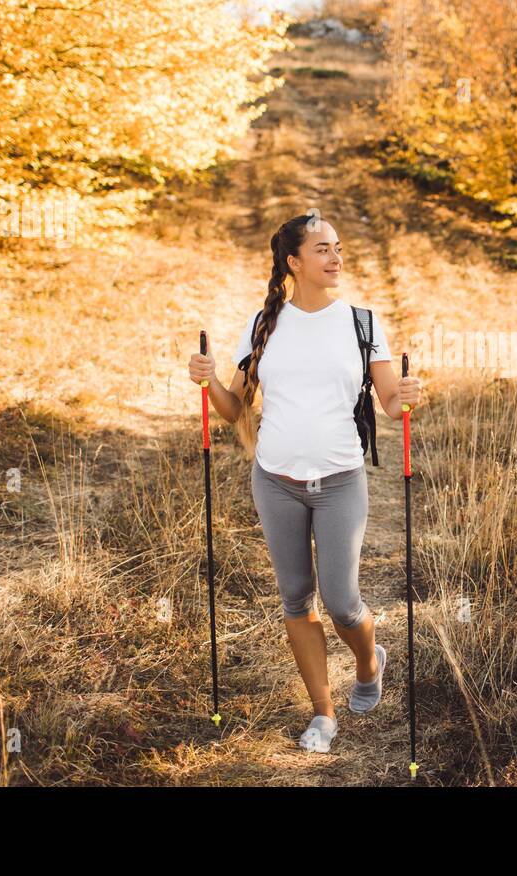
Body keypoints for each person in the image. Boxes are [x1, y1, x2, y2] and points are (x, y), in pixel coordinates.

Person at [187, 213, 422, 754]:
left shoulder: (362, 323)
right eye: (322, 249)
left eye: (337, 248)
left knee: (341, 601)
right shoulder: (265, 324)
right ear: (293, 262)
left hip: (340, 480)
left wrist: (409, 394)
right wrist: (209, 380)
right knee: (296, 599)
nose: (335, 257)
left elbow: (390, 403)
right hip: (275, 482)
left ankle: (368, 661)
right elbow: (232, 410)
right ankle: (323, 713)